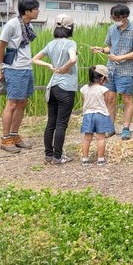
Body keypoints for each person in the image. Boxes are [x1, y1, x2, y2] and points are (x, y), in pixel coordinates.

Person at [90, 4, 133, 140]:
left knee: (127, 99)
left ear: (124, 17)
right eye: (113, 17)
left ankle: (126, 128)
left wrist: (120, 57)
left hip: (126, 70)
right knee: (109, 99)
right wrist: (101, 50)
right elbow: (110, 47)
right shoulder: (112, 28)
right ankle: (110, 128)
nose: (115, 20)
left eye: (117, 17)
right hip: (111, 69)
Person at [31, 14, 78, 164]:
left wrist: (49, 66)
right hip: (66, 88)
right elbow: (73, 59)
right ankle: (58, 157)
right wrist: (65, 68)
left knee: (51, 122)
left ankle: (48, 155)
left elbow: (35, 59)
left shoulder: (51, 44)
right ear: (70, 28)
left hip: (52, 87)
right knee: (61, 124)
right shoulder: (71, 44)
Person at [0, 0, 39, 153]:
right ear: (27, 11)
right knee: (12, 103)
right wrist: (2, 67)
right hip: (14, 69)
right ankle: (5, 139)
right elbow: (0, 49)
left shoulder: (27, 25)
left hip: (26, 67)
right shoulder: (12, 25)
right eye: (35, 9)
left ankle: (14, 135)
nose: (38, 11)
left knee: (22, 103)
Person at [80, 65, 113, 166]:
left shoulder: (84, 88)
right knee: (101, 138)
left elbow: (83, 100)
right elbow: (108, 101)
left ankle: (85, 159)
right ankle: (101, 159)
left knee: (87, 138)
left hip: (88, 115)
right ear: (102, 78)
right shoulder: (103, 89)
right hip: (101, 114)